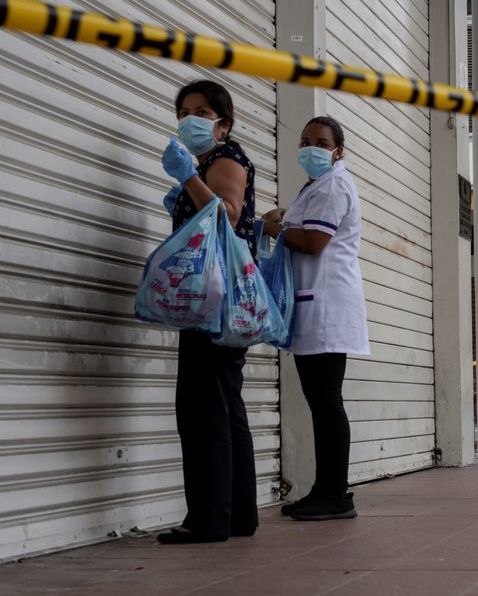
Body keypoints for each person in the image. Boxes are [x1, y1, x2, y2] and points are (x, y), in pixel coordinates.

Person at [156, 80, 259, 544]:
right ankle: (237, 514)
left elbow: (228, 215)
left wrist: (188, 181)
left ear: (224, 122)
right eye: (183, 110)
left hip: (212, 298)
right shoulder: (214, 162)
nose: (189, 118)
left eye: (201, 111)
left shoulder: (226, 160)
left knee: (202, 409)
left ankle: (208, 519)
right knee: (223, 405)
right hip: (223, 297)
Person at [260, 115, 370, 521]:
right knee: (320, 402)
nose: (312, 148)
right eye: (305, 140)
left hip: (326, 306)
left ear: (339, 150)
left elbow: (314, 241)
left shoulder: (335, 184)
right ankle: (324, 490)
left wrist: (271, 227)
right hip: (316, 304)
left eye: (322, 142)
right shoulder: (321, 185)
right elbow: (307, 225)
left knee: (326, 402)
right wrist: (287, 216)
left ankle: (336, 495)